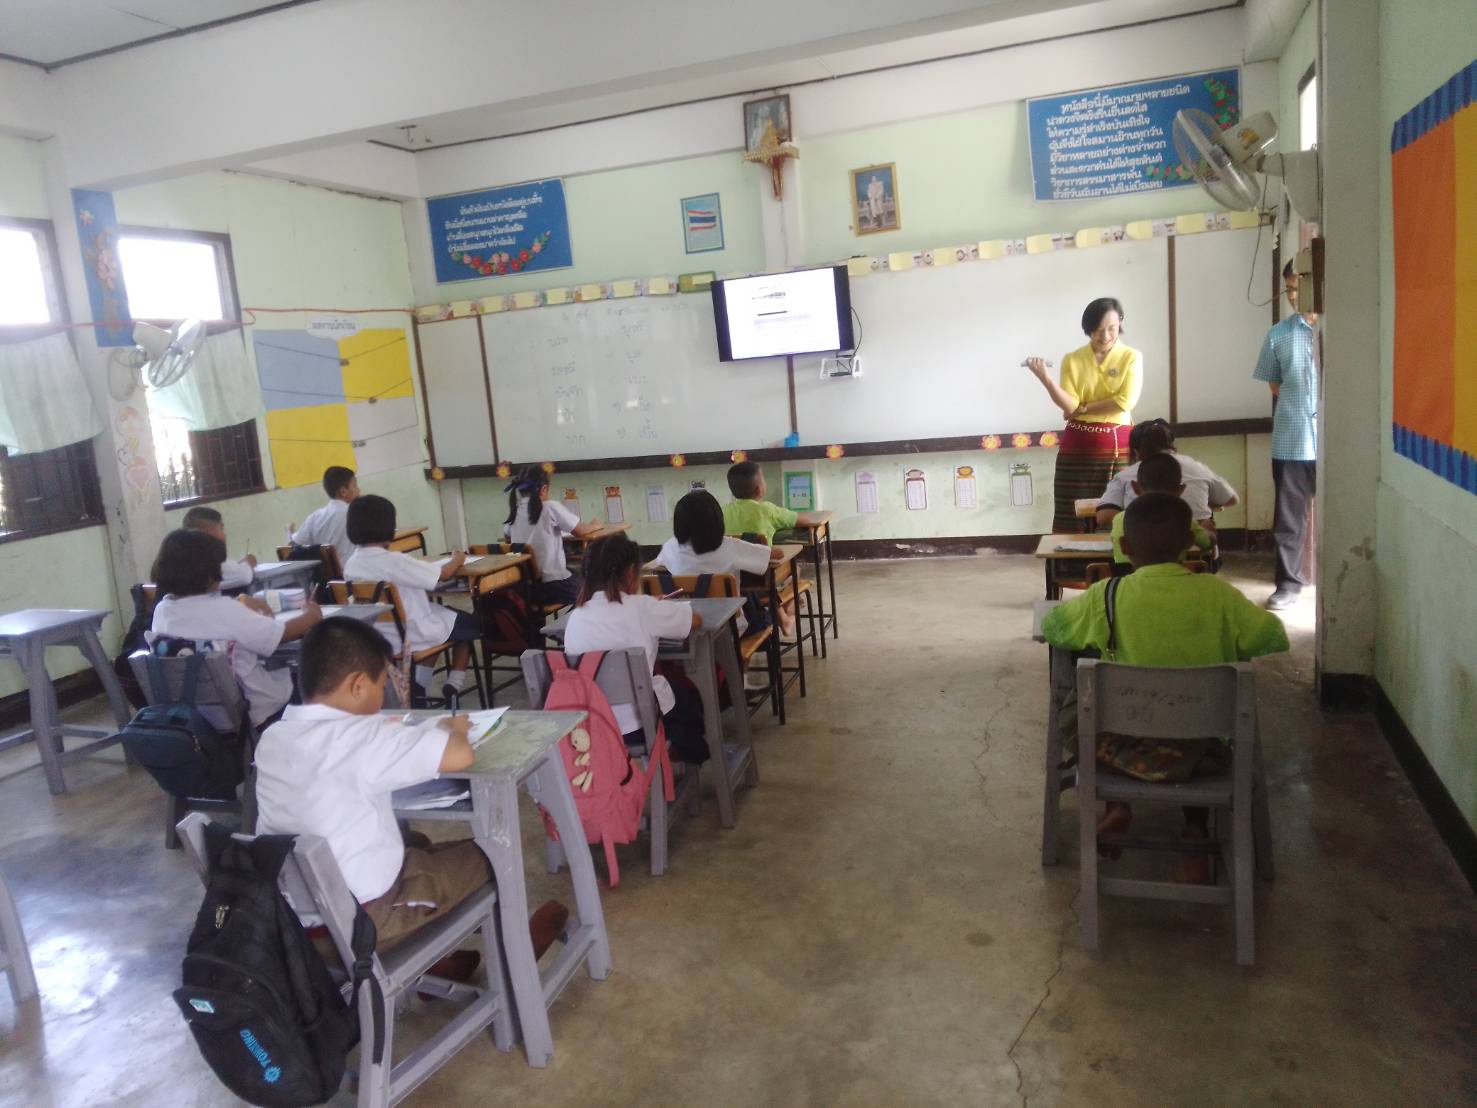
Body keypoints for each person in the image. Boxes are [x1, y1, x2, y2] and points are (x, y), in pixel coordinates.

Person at [254, 617, 567, 958]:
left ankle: (440, 961)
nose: (383, 696)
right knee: (493, 854)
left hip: (295, 926)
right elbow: (459, 756)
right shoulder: (363, 737)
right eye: (382, 684)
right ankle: (518, 953)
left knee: (415, 843)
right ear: (358, 685)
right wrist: (454, 729)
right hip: (363, 925)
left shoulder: (274, 737)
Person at [1041, 494, 1288, 881]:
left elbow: (1053, 629)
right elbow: (1272, 637)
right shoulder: (1219, 595)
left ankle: (1118, 805)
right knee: (1195, 722)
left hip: (1121, 745)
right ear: (1189, 544)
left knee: (1078, 708)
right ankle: (1195, 830)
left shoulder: (1107, 596)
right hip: (1203, 751)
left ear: (1124, 547)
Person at [148, 529, 321, 727]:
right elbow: (282, 634)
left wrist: (238, 603)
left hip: (193, 715)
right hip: (249, 711)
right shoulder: (224, 610)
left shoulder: (162, 610)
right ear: (210, 573)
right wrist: (312, 614)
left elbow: (202, 616)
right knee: (310, 679)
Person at [563, 534, 708, 765]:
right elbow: (696, 620)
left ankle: (668, 760)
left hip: (593, 724)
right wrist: (655, 606)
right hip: (638, 725)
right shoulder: (643, 608)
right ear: (631, 572)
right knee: (686, 698)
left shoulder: (575, 618)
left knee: (673, 695)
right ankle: (685, 758)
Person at [1022, 297, 1144, 533]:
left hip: (1117, 446)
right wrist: (1045, 379)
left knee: (1117, 511)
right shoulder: (1073, 359)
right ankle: (1070, 556)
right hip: (1077, 447)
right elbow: (1069, 407)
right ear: (1088, 329)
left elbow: (1125, 401)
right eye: (1098, 330)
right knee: (1071, 514)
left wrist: (1084, 408)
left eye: (1112, 328)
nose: (1105, 336)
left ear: (1120, 322)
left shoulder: (1131, 356)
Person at [343, 493, 476, 703]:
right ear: (388, 527)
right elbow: (443, 574)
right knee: (470, 625)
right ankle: (453, 684)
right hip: (412, 633)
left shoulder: (351, 564)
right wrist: (457, 559)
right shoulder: (395, 561)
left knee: (442, 624)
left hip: (379, 637)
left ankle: (420, 686)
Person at [1253, 260, 1320, 610]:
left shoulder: (1341, 327)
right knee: (1289, 519)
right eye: (1289, 289)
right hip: (1292, 438)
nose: (1293, 296)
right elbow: (1275, 385)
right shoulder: (1278, 334)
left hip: (1334, 440)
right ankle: (1288, 584)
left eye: (1298, 287)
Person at [657, 488, 789, 635]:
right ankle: (787, 616)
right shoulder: (730, 546)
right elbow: (778, 554)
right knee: (765, 610)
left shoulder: (670, 547)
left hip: (686, 629)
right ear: (717, 521)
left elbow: (658, 565)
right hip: (729, 631)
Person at [1094, 420, 1239, 529]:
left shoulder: (1126, 476)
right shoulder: (1196, 467)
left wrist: (1135, 515)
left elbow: (1103, 517)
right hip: (1195, 554)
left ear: (1136, 451)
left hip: (1142, 552)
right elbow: (1231, 499)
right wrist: (1204, 503)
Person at [503, 464, 599, 606]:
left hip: (526, 589)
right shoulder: (549, 507)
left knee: (574, 574)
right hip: (554, 585)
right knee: (594, 590)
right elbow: (579, 530)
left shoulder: (514, 512)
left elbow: (507, 537)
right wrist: (595, 525)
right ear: (544, 489)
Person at [1107, 452, 1215, 571]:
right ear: (1180, 489)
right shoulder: (1183, 520)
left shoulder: (1119, 519)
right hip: (1173, 581)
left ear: (1136, 487)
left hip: (1126, 580)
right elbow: (1207, 543)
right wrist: (1208, 530)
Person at [722, 461, 823, 544]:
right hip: (763, 562)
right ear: (759, 490)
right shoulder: (766, 510)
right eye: (763, 479)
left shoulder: (723, 511)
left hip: (731, 562)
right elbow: (804, 521)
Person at [290, 465, 359, 567]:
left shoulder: (315, 517)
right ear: (343, 491)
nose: (359, 490)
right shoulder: (356, 515)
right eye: (355, 486)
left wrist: (290, 533)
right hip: (351, 573)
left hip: (325, 575)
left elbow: (294, 545)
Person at [182, 506, 255, 591]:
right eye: (221, 529)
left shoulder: (180, 562)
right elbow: (244, 575)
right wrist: (249, 563)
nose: (224, 535)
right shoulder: (209, 562)